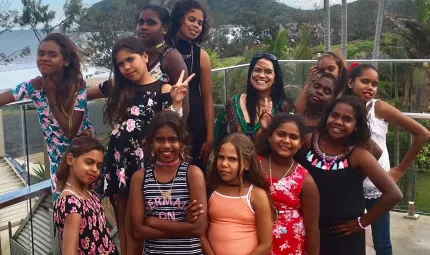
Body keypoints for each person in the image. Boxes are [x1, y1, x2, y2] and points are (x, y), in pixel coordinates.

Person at [101, 36, 192, 255]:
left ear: (144, 57)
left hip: (144, 164)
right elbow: (91, 89)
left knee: (140, 218)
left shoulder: (164, 89)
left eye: (130, 59)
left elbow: (172, 126)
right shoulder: (121, 88)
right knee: (122, 217)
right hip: (119, 162)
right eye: (120, 64)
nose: (126, 67)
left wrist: (177, 101)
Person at [295, 96, 403, 255]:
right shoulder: (308, 141)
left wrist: (361, 223)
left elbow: (394, 194)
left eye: (347, 119)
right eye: (335, 115)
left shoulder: (358, 155)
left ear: (356, 127)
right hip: (306, 229)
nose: (338, 121)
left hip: (343, 237)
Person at [346, 64, 430, 255]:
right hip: (350, 182)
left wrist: (400, 169)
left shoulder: (379, 107)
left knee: (382, 241)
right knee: (351, 235)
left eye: (374, 84)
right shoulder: (341, 108)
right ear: (351, 82)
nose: (370, 87)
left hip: (378, 185)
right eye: (364, 81)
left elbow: (422, 133)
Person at [0, 33, 94, 201]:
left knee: (86, 211)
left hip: (84, 158)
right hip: (59, 163)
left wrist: (51, 98)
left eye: (52, 54)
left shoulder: (77, 86)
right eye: (41, 53)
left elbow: (70, 131)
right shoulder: (33, 86)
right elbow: (4, 98)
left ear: (65, 61)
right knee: (64, 211)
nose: (44, 58)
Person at [88, 4, 191, 119]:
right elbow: (106, 87)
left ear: (165, 29)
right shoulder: (132, 54)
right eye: (141, 22)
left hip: (159, 129)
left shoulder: (171, 57)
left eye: (151, 23)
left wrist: (174, 134)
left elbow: (183, 105)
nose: (144, 27)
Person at [129, 110, 207, 254]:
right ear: (152, 141)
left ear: (181, 142)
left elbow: (198, 229)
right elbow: (138, 232)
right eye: (160, 140)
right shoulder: (140, 178)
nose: (166, 146)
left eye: (172, 139)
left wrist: (154, 222)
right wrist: (184, 226)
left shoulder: (192, 174)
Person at [202, 133, 274, 255]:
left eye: (232, 159)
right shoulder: (210, 189)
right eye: (221, 157)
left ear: (247, 164)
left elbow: (266, 244)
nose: (224, 164)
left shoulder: (256, 194)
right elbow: (202, 235)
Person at [259, 113, 320, 255]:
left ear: (300, 143)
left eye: (293, 137)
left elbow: (312, 230)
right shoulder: (254, 165)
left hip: (290, 246)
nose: (286, 140)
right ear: (269, 136)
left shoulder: (305, 179)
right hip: (254, 240)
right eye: (281, 134)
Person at [53, 131, 118, 254]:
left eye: (99, 166)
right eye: (89, 162)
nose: (94, 169)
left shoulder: (90, 194)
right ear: (71, 160)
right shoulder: (71, 203)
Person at [167, 0, 215, 169]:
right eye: (191, 19)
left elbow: (208, 98)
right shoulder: (164, 49)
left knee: (193, 170)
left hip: (195, 123)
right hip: (166, 115)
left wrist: (210, 137)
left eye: (200, 23)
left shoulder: (201, 56)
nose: (196, 25)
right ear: (180, 19)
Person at [214, 53, 296, 149]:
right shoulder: (233, 104)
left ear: (275, 78)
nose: (261, 75)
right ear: (250, 74)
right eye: (257, 70)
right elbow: (219, 141)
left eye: (268, 72)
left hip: (268, 163)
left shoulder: (283, 108)